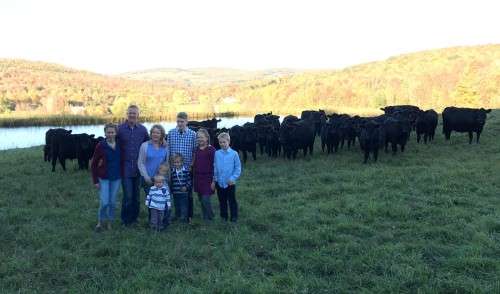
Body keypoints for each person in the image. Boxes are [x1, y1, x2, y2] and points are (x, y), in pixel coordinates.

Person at [117, 105, 149, 226]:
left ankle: (134, 219)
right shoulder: (119, 129)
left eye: (134, 113)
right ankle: (125, 220)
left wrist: (163, 143)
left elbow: (149, 144)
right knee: (128, 196)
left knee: (136, 197)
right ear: (127, 114)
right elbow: (112, 143)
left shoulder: (142, 130)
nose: (132, 115)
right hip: (125, 169)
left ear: (138, 115)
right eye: (130, 113)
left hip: (139, 169)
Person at [91, 123, 122, 231]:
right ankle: (100, 222)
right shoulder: (101, 145)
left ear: (116, 133)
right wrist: (95, 181)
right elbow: (93, 164)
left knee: (112, 202)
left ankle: (109, 222)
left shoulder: (120, 145)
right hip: (103, 178)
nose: (110, 134)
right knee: (104, 201)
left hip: (116, 177)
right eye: (108, 132)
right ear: (105, 133)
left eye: (112, 132)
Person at [167, 112, 197, 221]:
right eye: (178, 121)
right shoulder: (171, 133)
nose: (180, 123)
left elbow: (194, 151)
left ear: (186, 122)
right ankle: (178, 213)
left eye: (182, 121)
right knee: (176, 191)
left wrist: (192, 165)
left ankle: (189, 215)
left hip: (187, 168)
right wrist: (170, 166)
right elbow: (169, 151)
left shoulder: (193, 134)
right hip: (174, 168)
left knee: (188, 192)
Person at [138, 124, 169, 223]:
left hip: (161, 179)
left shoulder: (165, 146)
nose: (155, 134)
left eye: (158, 133)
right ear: (150, 134)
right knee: (153, 202)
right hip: (149, 179)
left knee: (164, 200)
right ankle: (153, 222)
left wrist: (165, 176)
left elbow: (166, 162)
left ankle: (164, 221)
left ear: (161, 134)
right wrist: (146, 177)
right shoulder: (145, 146)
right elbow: (141, 163)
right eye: (153, 132)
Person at [212, 132, 242, 222]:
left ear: (228, 141)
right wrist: (215, 179)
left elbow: (238, 168)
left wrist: (233, 178)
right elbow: (215, 167)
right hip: (220, 182)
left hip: (230, 182)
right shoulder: (217, 153)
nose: (222, 144)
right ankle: (223, 216)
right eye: (220, 142)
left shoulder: (234, 154)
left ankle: (234, 217)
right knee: (222, 201)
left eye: (224, 142)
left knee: (232, 200)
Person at [193, 128, 216, 221]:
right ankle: (205, 218)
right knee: (200, 199)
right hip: (198, 177)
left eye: (202, 137)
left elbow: (215, 166)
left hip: (208, 178)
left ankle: (211, 216)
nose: (200, 139)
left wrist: (214, 181)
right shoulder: (196, 149)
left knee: (205, 199)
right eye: (198, 138)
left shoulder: (211, 150)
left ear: (207, 138)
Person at [170, 153, 192, 223]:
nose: (177, 164)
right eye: (175, 162)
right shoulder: (172, 172)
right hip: (175, 193)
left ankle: (184, 219)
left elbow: (189, 181)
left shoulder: (185, 171)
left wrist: (186, 187)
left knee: (184, 206)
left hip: (184, 193)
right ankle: (178, 216)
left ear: (182, 162)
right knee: (177, 205)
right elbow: (171, 182)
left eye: (178, 162)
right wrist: (171, 190)